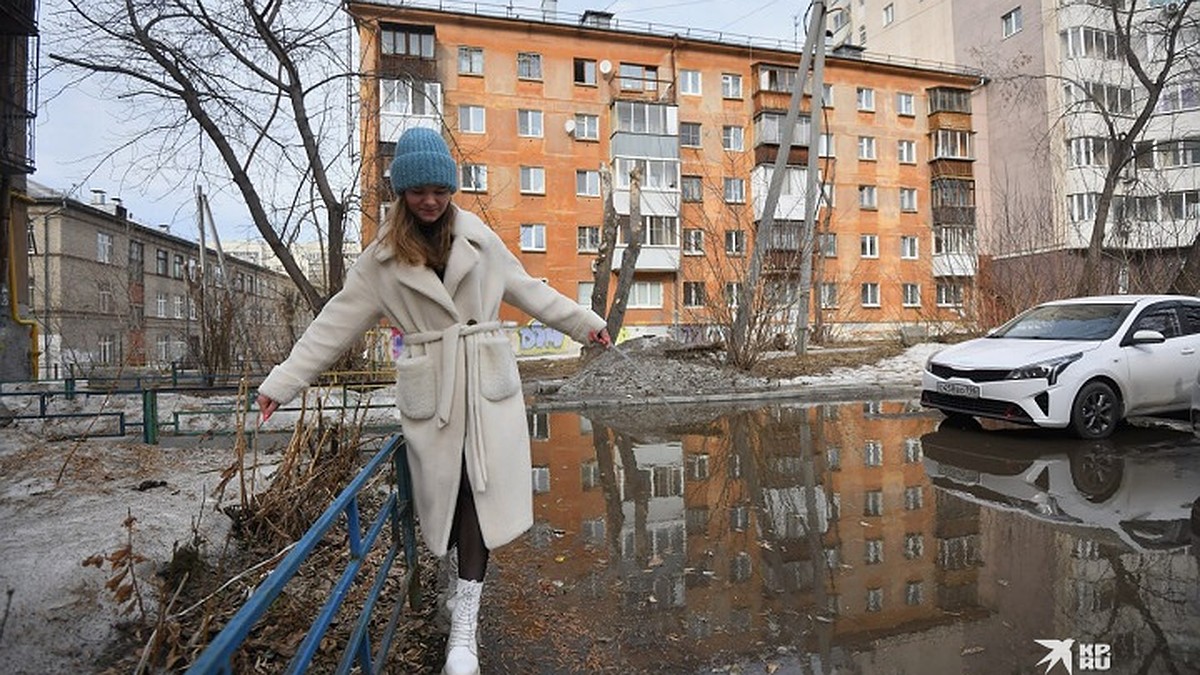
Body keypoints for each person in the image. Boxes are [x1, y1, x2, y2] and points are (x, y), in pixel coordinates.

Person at [255, 127, 612, 675]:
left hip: (487, 387)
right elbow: (333, 325)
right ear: (401, 194)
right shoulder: (379, 263)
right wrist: (282, 382)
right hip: (433, 392)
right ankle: (453, 582)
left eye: (439, 190)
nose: (430, 200)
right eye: (418, 190)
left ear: (452, 190)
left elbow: (529, 289)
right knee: (441, 504)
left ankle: (464, 628)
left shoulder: (480, 240)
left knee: (478, 493)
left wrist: (587, 324)